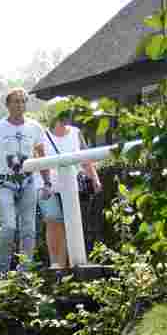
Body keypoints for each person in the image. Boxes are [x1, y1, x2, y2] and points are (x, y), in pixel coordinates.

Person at [0, 88, 52, 273]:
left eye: (22, 101)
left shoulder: (35, 127)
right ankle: (2, 273)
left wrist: (47, 182)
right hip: (3, 182)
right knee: (9, 226)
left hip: (27, 181)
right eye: (15, 101)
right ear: (7, 105)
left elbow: (41, 156)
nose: (19, 105)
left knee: (28, 229)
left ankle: (24, 272)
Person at [41, 106, 103, 270]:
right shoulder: (42, 136)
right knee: (55, 225)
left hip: (75, 187)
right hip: (53, 188)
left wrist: (94, 179)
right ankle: (58, 267)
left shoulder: (76, 133)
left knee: (76, 225)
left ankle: (75, 265)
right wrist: (45, 185)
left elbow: (85, 158)